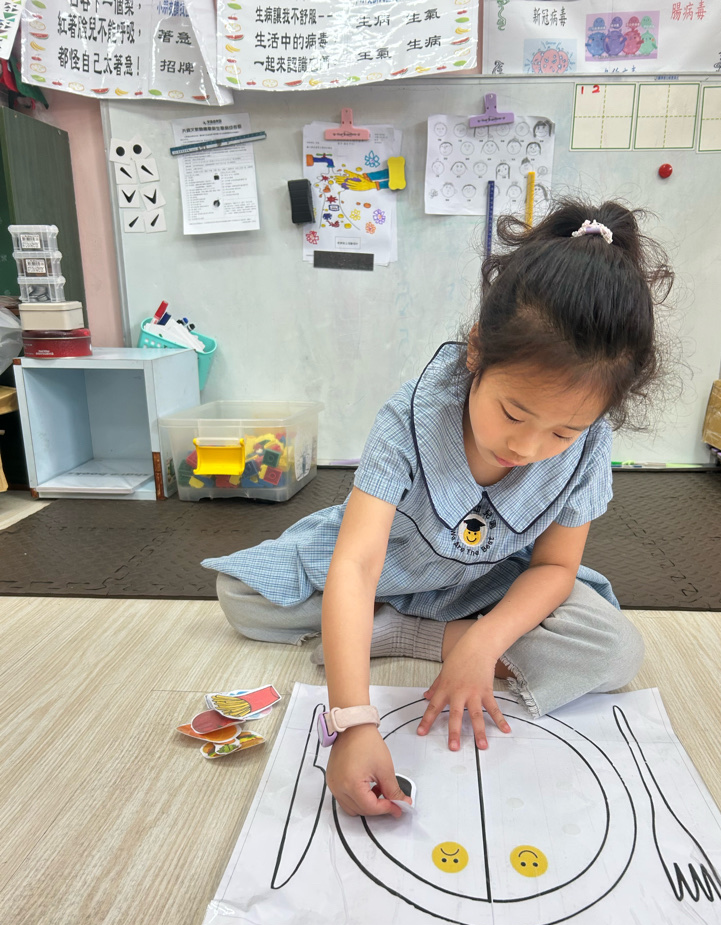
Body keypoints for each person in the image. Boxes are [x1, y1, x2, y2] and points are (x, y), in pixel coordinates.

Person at [203, 199, 673, 820]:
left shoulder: (591, 444)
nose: (527, 448)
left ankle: (400, 632)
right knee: (242, 596)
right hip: (390, 565)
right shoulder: (410, 416)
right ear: (477, 351)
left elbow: (555, 569)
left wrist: (483, 643)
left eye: (563, 432)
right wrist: (352, 720)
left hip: (489, 584)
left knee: (614, 650)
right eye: (513, 413)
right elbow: (357, 565)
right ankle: (389, 627)